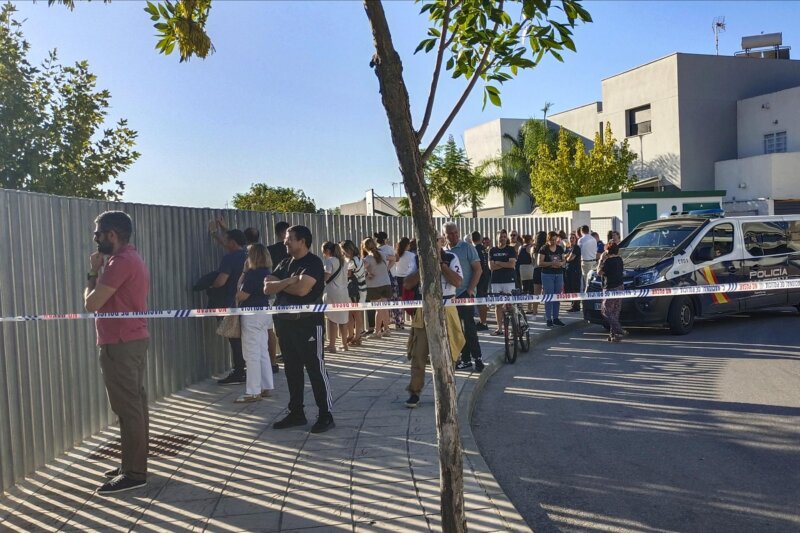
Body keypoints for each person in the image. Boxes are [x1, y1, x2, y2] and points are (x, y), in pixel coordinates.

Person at [84, 210, 151, 495]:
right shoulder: (129, 258)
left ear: (112, 235)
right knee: (134, 404)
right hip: (130, 340)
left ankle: (135, 472)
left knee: (128, 407)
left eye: (98, 233)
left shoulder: (119, 263)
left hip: (121, 343)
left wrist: (92, 273)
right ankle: (131, 464)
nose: (95, 238)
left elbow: (91, 303)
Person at [264, 225, 334, 433]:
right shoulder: (285, 263)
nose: (285, 242)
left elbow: (303, 290)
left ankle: (325, 415)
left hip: (308, 324)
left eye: (289, 239)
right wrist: (290, 280)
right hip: (285, 323)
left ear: (302, 241)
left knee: (315, 369)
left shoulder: (313, 263)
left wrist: (283, 284)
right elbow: (267, 286)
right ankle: (296, 413)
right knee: (292, 370)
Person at [404, 235, 464, 408]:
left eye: (436, 239)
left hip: (447, 308)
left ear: (441, 241)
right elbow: (407, 284)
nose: (432, 242)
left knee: (449, 353)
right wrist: (423, 267)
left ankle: (447, 392)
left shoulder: (451, 257)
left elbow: (458, 281)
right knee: (418, 354)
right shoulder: (416, 259)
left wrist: (441, 265)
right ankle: (414, 392)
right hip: (424, 309)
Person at [234, 243, 274, 403]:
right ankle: (266, 385)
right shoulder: (266, 272)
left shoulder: (253, 274)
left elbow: (241, 295)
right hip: (264, 312)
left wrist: (244, 272)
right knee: (262, 350)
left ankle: (252, 391)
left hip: (252, 314)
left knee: (251, 353)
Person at [444, 222, 484, 372]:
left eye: (456, 232)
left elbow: (478, 270)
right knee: (456, 329)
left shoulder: (467, 248)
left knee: (469, 327)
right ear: (444, 235)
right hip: (449, 296)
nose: (454, 236)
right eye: (450, 234)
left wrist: (470, 290)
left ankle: (478, 358)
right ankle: (465, 358)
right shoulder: (442, 251)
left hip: (464, 293)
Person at [212, 229, 248, 385]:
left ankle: (238, 371)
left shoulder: (229, 259)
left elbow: (221, 281)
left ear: (232, 242)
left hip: (232, 303)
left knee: (234, 338)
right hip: (250, 303)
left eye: (227, 241)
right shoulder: (249, 255)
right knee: (249, 338)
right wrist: (217, 233)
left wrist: (210, 284)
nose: (225, 244)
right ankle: (250, 371)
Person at [321, 241, 349, 353]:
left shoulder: (330, 261)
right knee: (343, 318)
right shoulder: (344, 261)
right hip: (344, 292)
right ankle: (344, 344)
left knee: (332, 319)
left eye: (323, 251)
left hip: (332, 292)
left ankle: (332, 345)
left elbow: (326, 278)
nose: (323, 254)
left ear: (327, 251)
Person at [362, 238, 392, 338]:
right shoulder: (383, 254)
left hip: (374, 286)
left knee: (378, 309)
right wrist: (387, 269)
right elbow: (394, 258)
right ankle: (385, 330)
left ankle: (378, 331)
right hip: (386, 283)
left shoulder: (367, 259)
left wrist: (366, 274)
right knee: (384, 308)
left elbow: (359, 270)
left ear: (364, 247)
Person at [489, 229, 517, 336]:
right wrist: (504, 263)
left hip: (509, 280)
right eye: (501, 236)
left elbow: (511, 265)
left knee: (510, 305)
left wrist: (499, 262)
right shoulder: (492, 250)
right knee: (498, 305)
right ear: (497, 237)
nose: (503, 238)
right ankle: (499, 328)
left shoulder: (510, 249)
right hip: (496, 281)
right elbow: (491, 267)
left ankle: (513, 328)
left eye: (505, 236)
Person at [341, 240, 367, 346]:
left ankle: (357, 337)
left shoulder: (353, 261)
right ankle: (352, 335)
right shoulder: (356, 259)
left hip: (356, 290)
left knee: (355, 314)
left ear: (348, 250)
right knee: (352, 313)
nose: (342, 252)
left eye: (343, 250)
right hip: (357, 289)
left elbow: (347, 274)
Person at [538, 231, 566, 328]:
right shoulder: (544, 248)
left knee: (557, 297)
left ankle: (556, 317)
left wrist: (561, 264)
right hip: (547, 274)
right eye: (551, 240)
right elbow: (539, 262)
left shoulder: (559, 248)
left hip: (558, 274)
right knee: (549, 296)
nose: (553, 242)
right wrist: (551, 263)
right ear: (548, 240)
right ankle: (548, 318)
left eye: (555, 240)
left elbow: (564, 259)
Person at [598, 242, 625, 342]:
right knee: (615, 311)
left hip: (610, 288)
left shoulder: (608, 261)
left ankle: (619, 329)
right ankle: (613, 335)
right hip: (620, 286)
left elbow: (599, 272)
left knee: (605, 311)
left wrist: (601, 260)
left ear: (608, 250)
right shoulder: (619, 259)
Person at [391, 237, 417, 330]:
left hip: (398, 278)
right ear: (407, 245)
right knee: (409, 298)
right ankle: (413, 319)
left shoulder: (397, 254)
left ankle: (399, 320)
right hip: (407, 279)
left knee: (399, 300)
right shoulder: (412, 255)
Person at [472, 231, 491, 331]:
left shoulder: (475, 249)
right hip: (486, 276)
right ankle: (483, 321)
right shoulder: (483, 249)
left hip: (480, 277)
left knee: (480, 300)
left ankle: (483, 322)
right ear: (480, 239)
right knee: (482, 299)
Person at [564, 233, 583, 312]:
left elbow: (569, 259)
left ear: (576, 239)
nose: (571, 239)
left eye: (573, 238)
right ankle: (573, 304)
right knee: (570, 288)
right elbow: (563, 256)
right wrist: (566, 256)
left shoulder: (576, 248)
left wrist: (566, 256)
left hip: (575, 271)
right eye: (570, 238)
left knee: (575, 288)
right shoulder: (568, 248)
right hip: (568, 270)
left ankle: (576, 306)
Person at [530, 231, 547, 317]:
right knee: (547, 292)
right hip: (545, 270)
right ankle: (547, 311)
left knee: (536, 292)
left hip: (536, 270)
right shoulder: (545, 248)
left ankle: (535, 311)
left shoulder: (533, 248)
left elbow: (532, 261)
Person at [577, 225, 597, 295]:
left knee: (585, 280)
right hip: (594, 261)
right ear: (588, 230)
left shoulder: (581, 240)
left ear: (581, 231)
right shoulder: (593, 239)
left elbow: (578, 251)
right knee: (592, 280)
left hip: (585, 262)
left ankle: (586, 297)